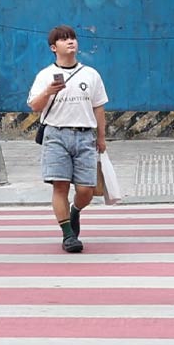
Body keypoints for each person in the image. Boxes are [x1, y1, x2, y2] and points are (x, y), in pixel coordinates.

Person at [27, 25, 108, 253]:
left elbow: (98, 107)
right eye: (64, 40)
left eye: (72, 38)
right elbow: (34, 106)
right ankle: (68, 235)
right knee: (60, 186)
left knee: (86, 190)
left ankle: (75, 211)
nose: (70, 42)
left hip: (84, 136)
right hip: (56, 135)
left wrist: (101, 137)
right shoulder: (44, 75)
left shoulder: (91, 74)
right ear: (54, 48)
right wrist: (48, 92)